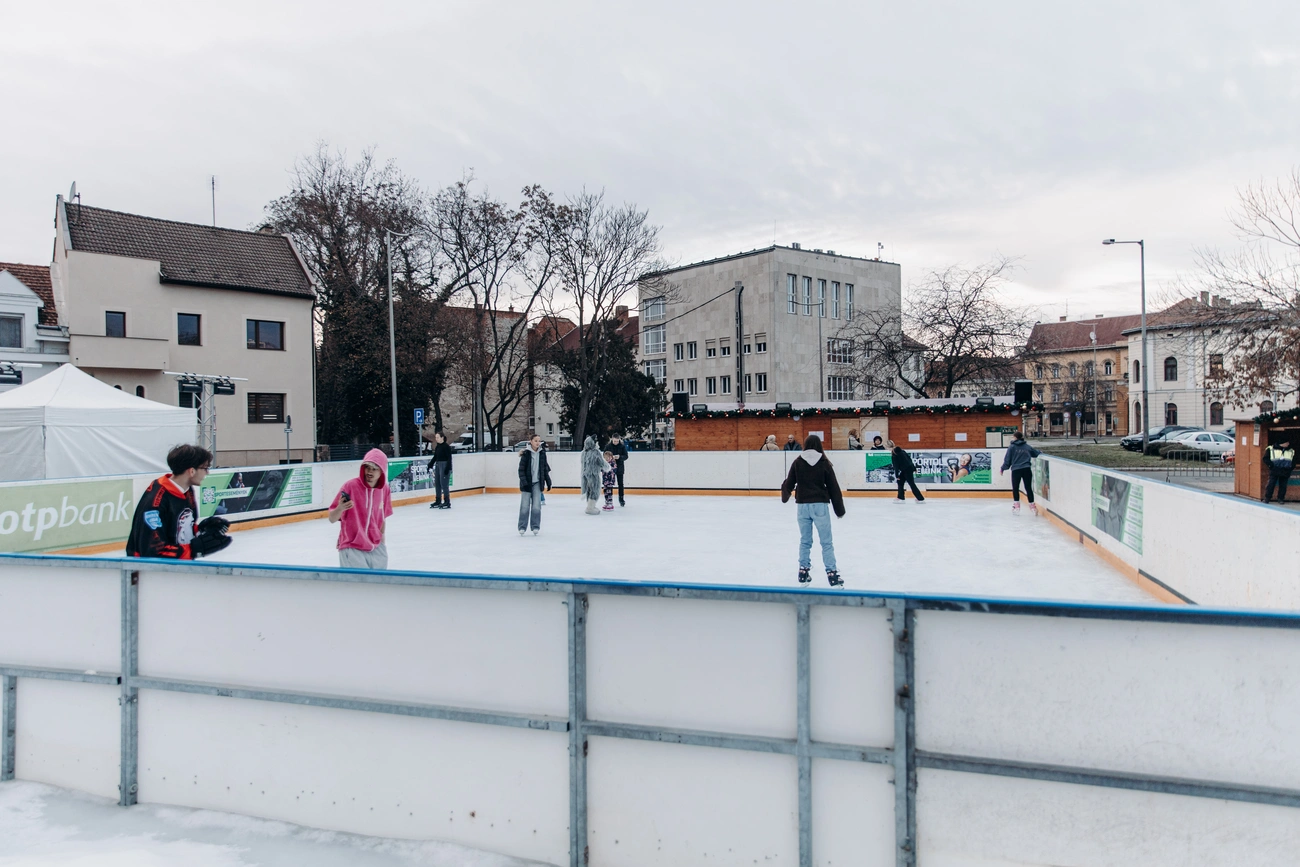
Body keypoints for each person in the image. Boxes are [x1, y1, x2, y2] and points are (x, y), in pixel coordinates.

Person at [126, 444, 232, 559]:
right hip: (150, 573)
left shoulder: (187, 490)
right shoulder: (155, 503)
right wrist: (195, 549)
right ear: (191, 471)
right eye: (205, 468)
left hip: (176, 569)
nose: (207, 473)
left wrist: (199, 530)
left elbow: (176, 530)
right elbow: (153, 551)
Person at [781, 435, 846, 586]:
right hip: (820, 506)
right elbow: (833, 488)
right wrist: (839, 510)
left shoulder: (798, 462)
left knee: (805, 541)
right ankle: (832, 575)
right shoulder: (824, 462)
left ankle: (803, 572)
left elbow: (789, 483)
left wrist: (785, 495)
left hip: (802, 506)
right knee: (826, 542)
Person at [329, 449, 393, 569]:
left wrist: (382, 544)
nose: (370, 471)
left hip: (376, 548)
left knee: (378, 585)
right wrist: (340, 508)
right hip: (352, 547)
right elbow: (332, 518)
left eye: (374, 468)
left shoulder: (385, 489)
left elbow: (382, 519)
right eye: (367, 467)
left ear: (382, 471)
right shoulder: (350, 486)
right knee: (356, 587)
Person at [999, 431, 1042, 514]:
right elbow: (1035, 453)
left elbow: (1007, 460)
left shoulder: (1011, 447)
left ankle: (1016, 506)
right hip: (1026, 469)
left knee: (1015, 488)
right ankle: (1032, 506)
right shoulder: (1027, 446)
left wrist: (1002, 468)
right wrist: (1039, 452)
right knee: (1028, 488)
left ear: (1015, 437)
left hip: (1016, 470)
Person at [517, 433, 552, 534]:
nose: (537, 443)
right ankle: (522, 527)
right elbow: (521, 470)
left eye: (539, 441)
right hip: (526, 483)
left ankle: (535, 526)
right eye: (535, 441)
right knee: (525, 506)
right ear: (531, 441)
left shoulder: (542, 453)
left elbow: (545, 468)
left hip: (537, 483)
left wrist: (548, 482)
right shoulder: (526, 454)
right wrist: (524, 482)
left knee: (536, 506)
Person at [581, 436, 608, 515]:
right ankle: (590, 507)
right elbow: (602, 463)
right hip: (593, 474)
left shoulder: (583, 452)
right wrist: (608, 467)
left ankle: (590, 505)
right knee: (594, 490)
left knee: (588, 490)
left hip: (585, 474)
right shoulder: (595, 452)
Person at [1264, 438, 1295, 504]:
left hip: (1285, 470)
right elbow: (1265, 458)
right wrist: (1271, 466)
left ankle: (1280, 498)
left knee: (1283, 486)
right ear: (1282, 443)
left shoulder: (1291, 450)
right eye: (1287, 443)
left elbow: (1294, 461)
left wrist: (1290, 468)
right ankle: (1267, 498)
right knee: (1271, 484)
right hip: (1275, 470)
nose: (1288, 444)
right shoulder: (1271, 449)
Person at [427, 431, 453, 510]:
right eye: (436, 437)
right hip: (438, 465)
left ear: (442, 437)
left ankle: (447, 501)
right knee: (437, 483)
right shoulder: (438, 447)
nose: (436, 439)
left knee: (444, 484)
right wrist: (430, 465)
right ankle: (438, 500)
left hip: (444, 465)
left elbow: (449, 458)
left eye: (438, 437)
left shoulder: (446, 447)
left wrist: (448, 468)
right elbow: (435, 457)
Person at [608, 434, 630, 506]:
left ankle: (621, 498)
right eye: (614, 441)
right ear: (612, 439)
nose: (616, 442)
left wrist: (619, 457)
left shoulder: (622, 446)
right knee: (609, 484)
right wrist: (611, 458)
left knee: (620, 484)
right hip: (610, 467)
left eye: (617, 441)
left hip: (620, 467)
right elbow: (604, 455)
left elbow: (626, 456)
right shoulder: (608, 446)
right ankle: (609, 498)